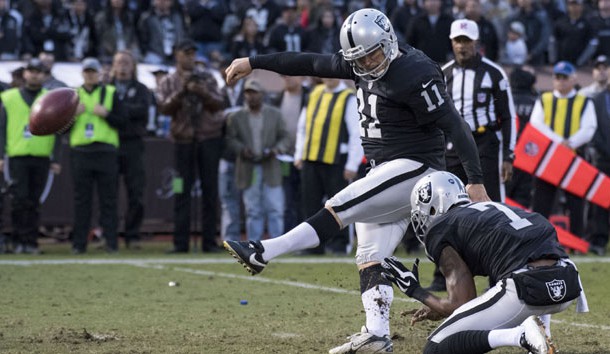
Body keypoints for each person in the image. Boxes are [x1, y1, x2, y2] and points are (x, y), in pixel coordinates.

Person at [223, 8, 489, 353]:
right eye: (359, 59)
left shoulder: (416, 71)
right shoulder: (358, 60)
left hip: (417, 166)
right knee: (369, 253)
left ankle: (264, 251)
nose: (367, 64)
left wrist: (476, 180)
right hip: (383, 169)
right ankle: (377, 333)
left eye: (373, 54)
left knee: (340, 206)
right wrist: (254, 60)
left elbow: (455, 125)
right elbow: (309, 63)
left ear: (388, 41)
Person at [381, 171, 588, 354]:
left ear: (433, 208)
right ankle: (543, 334)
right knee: (522, 262)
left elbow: (461, 303)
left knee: (436, 347)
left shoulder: (441, 228)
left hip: (527, 288)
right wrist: (442, 308)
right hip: (568, 282)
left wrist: (415, 290)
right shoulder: (491, 209)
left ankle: (520, 336)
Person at [157, 38, 225, 253]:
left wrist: (201, 92)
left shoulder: (207, 78)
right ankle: (180, 243)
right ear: (176, 54)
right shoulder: (168, 81)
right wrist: (183, 91)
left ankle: (208, 242)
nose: (190, 57)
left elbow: (219, 104)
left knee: (210, 191)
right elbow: (164, 107)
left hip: (208, 139)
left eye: (193, 54)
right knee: (181, 191)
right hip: (182, 141)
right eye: (186, 53)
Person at [443, 19, 516, 204]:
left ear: (476, 42)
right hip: (454, 146)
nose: (462, 46)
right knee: (451, 200)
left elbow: (507, 116)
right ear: (452, 42)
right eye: (458, 41)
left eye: (466, 41)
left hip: (485, 143)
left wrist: (508, 154)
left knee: (491, 202)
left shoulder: (494, 73)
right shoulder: (443, 74)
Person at [294, 77, 363, 254]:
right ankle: (312, 245)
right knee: (310, 204)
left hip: (337, 160)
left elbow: (357, 132)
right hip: (311, 158)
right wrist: (299, 153)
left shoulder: (348, 97)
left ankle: (341, 244)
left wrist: (352, 164)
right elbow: (302, 126)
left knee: (340, 205)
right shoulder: (313, 93)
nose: (329, 78)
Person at [0, 58, 62, 254]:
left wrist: (56, 158)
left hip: (41, 156)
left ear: (44, 75)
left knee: (35, 201)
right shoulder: (9, 97)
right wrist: (1, 155)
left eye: (39, 71)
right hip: (16, 156)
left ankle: (31, 242)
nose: (34, 74)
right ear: (25, 73)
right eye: (31, 70)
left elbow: (59, 129)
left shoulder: (50, 98)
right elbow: (1, 128)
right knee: (19, 200)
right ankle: (19, 241)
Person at [530, 61, 597, 238]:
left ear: (573, 79)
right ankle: (539, 236)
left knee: (576, 201)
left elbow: (589, 128)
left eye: (564, 77)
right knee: (542, 200)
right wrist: (560, 142)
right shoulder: (544, 99)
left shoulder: (584, 101)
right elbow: (536, 123)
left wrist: (570, 144)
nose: (560, 81)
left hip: (574, 158)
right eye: (557, 77)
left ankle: (577, 239)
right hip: (549, 158)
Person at [70, 57, 127, 254]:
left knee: (109, 200)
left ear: (99, 74)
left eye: (93, 71)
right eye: (87, 71)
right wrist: (72, 115)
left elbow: (124, 121)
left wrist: (107, 114)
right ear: (82, 73)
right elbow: (60, 129)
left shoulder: (110, 92)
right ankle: (79, 244)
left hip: (105, 151)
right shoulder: (73, 95)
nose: (90, 75)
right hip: (81, 152)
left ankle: (111, 243)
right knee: (81, 201)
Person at [225, 78, 290, 241]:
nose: (251, 97)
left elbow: (285, 137)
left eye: (254, 93)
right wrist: (241, 150)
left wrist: (276, 149)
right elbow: (230, 139)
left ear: (262, 94)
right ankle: (254, 243)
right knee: (253, 209)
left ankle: (278, 242)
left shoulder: (274, 114)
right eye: (247, 93)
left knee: (275, 208)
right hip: (249, 166)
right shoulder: (236, 117)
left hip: (270, 165)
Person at [109, 50, 151, 249]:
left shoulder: (142, 89)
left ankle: (132, 235)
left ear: (133, 66)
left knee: (136, 192)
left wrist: (116, 112)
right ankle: (108, 235)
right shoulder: (106, 88)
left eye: (126, 62)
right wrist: (126, 112)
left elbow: (142, 111)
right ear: (113, 66)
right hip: (109, 143)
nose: (123, 66)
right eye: (119, 63)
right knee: (108, 193)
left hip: (134, 144)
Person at [589, 76, 610, 256]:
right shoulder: (596, 100)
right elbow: (592, 129)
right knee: (601, 201)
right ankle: (599, 240)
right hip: (603, 159)